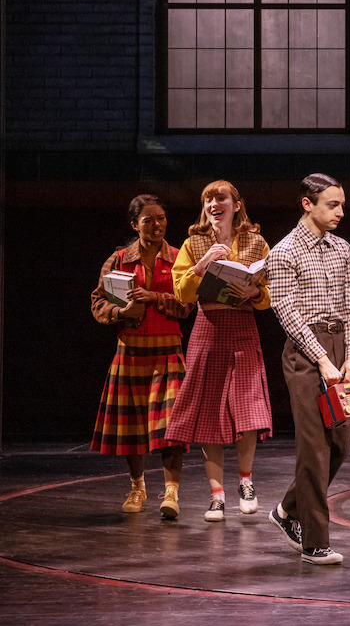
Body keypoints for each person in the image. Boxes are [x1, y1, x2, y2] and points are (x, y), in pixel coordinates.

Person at [265, 173, 350, 565]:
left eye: (341, 204)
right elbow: (286, 312)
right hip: (306, 353)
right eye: (332, 204)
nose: (341, 211)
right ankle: (315, 542)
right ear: (308, 204)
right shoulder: (284, 252)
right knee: (314, 447)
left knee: (341, 444)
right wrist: (322, 359)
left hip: (339, 345)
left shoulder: (342, 248)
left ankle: (288, 509)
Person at [165, 180, 273, 522]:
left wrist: (255, 294)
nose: (214, 204)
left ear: (236, 204)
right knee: (209, 410)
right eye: (208, 199)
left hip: (242, 327)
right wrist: (203, 265)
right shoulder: (193, 243)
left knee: (249, 405)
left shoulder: (256, 242)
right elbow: (181, 294)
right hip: (208, 329)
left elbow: (269, 295)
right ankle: (217, 495)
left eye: (220, 198)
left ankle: (245, 481)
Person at [90, 194, 194, 518]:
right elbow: (97, 303)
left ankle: (172, 493)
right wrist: (121, 311)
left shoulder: (179, 258)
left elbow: (188, 305)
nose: (157, 224)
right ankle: (137, 486)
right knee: (133, 425)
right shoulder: (119, 259)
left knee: (171, 425)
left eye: (161, 218)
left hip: (167, 351)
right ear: (135, 224)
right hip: (131, 351)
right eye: (148, 220)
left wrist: (156, 298)